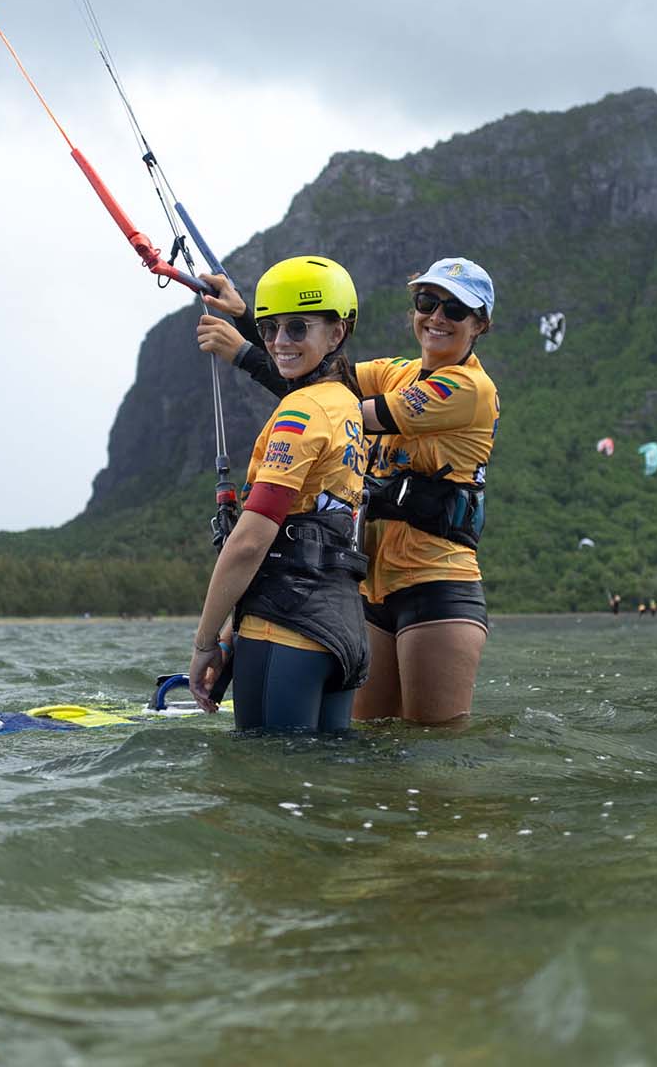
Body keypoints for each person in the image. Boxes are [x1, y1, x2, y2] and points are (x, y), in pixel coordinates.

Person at [198, 257, 500, 726]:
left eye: (456, 310)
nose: (437, 317)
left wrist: (243, 352)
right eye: (427, 302)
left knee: (434, 744)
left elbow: (335, 413)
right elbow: (314, 371)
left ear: (479, 324)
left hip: (436, 583)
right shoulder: (397, 372)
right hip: (369, 586)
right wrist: (248, 317)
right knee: (373, 739)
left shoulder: (467, 388)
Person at [187, 256, 372, 733]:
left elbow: (251, 542)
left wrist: (205, 643)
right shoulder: (347, 407)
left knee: (266, 775)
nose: (278, 342)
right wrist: (231, 635)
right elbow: (311, 536)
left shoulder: (300, 412)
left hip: (287, 630)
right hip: (343, 631)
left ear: (337, 333)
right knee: (324, 776)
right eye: (269, 329)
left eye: (297, 328)